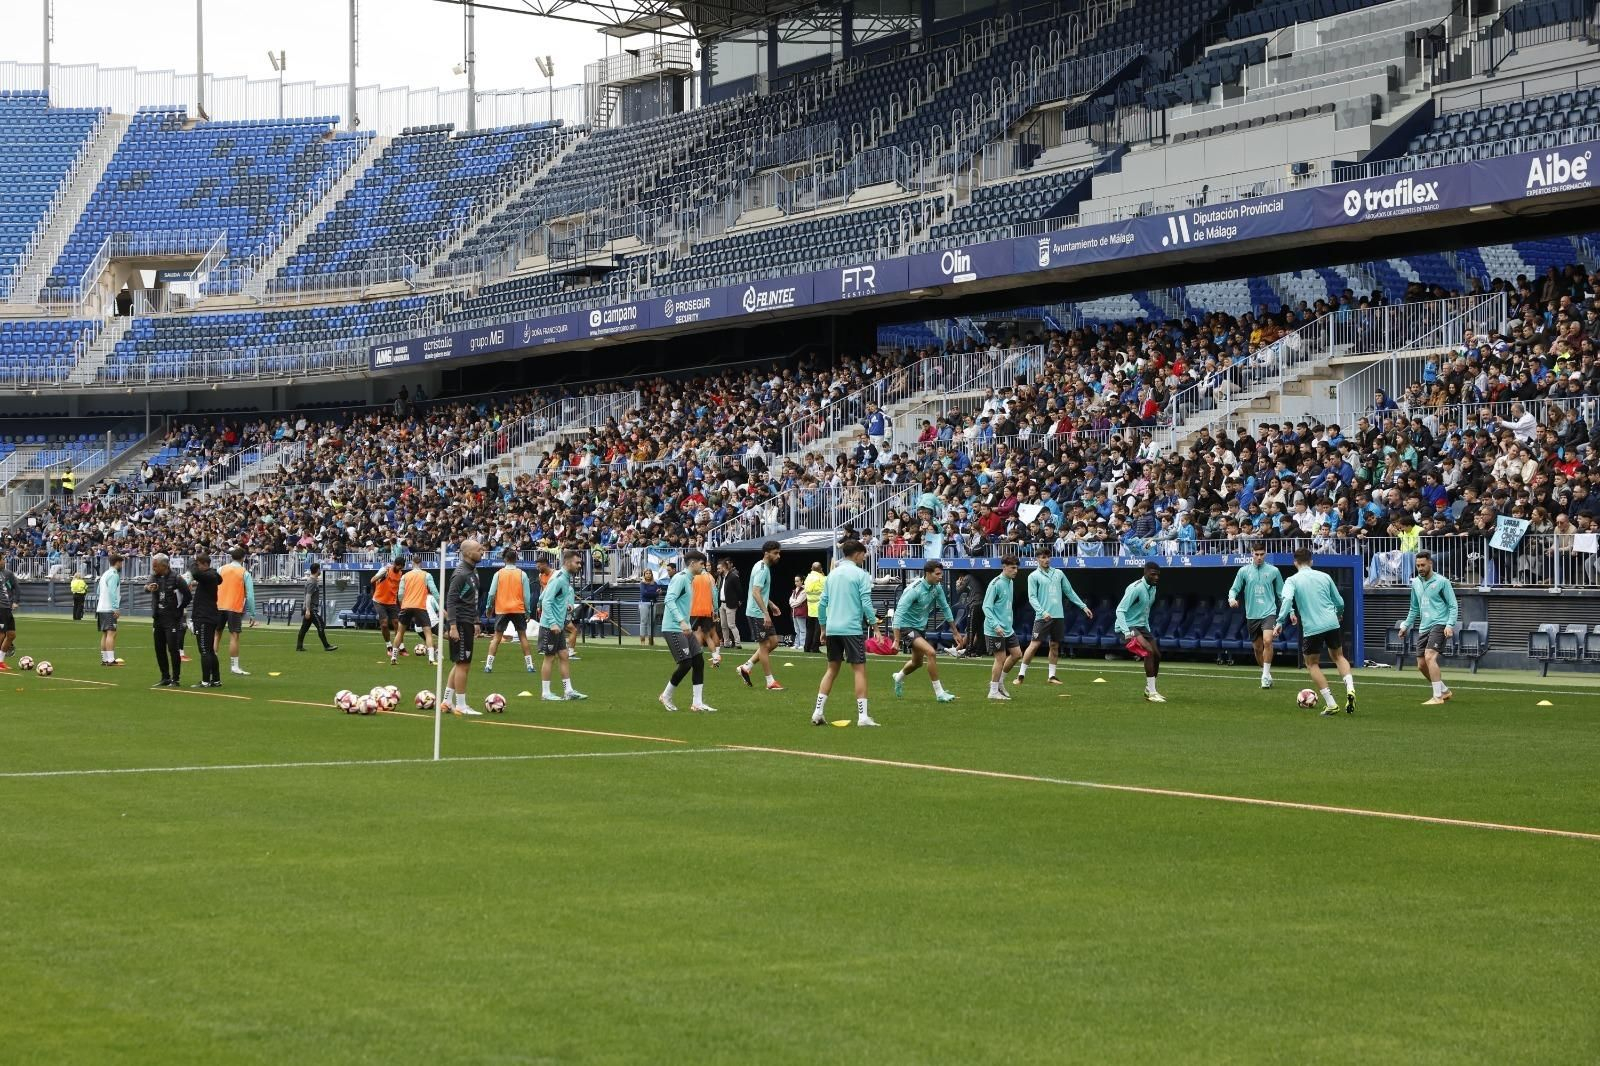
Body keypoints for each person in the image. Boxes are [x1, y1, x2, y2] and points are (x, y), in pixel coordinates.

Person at [1277, 548, 1356, 716]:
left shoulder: (1292, 580)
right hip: (1332, 623)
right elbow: (1339, 601)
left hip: (1312, 628)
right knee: (1339, 657)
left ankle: (1331, 703)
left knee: (1312, 664)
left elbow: (1287, 601)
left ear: (1295, 563)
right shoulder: (1325, 576)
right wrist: (1339, 614)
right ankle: (1350, 687)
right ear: (1311, 562)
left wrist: (1279, 621)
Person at [812, 539, 878, 727]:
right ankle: (863, 716)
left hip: (833, 628)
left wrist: (823, 628)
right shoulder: (861, 574)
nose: (865, 557)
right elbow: (866, 602)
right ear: (857, 553)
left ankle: (818, 712)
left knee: (831, 669)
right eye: (864, 554)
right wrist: (875, 626)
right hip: (851, 629)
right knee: (859, 670)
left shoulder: (832, 574)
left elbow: (823, 603)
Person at [1015, 548, 1092, 687]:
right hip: (1042, 617)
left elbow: (1069, 591)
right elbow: (1032, 597)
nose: (1046, 560)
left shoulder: (1059, 573)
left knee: (1055, 645)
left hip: (1058, 616)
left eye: (1048, 557)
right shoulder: (1033, 576)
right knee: (1034, 645)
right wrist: (1042, 612)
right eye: (1043, 557)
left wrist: (1083, 606)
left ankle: (1051, 676)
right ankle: (1020, 675)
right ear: (1037, 559)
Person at [890, 560, 962, 703]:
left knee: (917, 663)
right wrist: (897, 640)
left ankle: (898, 677)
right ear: (928, 574)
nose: (940, 577)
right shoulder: (913, 590)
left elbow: (945, 608)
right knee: (931, 652)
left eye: (941, 574)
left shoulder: (937, 587)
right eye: (937, 574)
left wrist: (955, 632)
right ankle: (939, 693)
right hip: (906, 627)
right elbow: (898, 614)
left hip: (920, 628)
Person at [658, 550, 717, 713]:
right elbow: (669, 599)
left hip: (685, 628)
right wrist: (682, 622)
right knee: (685, 663)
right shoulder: (680, 578)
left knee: (698, 661)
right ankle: (666, 695)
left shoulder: (689, 579)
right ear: (692, 563)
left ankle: (697, 703)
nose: (703, 567)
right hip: (674, 628)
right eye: (701, 564)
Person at [1397, 550, 1458, 706]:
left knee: (1430, 656)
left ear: (1430, 563)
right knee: (1421, 665)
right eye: (1418, 565)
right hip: (1423, 627)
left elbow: (1453, 605)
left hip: (1440, 623)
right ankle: (1444, 691)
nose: (1420, 568)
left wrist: (1449, 625)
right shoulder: (1416, 583)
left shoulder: (1442, 581)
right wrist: (1405, 625)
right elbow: (1414, 608)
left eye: (1423, 565)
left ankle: (1437, 697)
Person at [1228, 546, 1285, 689]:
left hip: (1269, 612)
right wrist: (1231, 598)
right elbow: (1234, 589)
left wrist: (1289, 612)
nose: (1259, 557)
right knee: (1258, 648)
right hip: (1252, 615)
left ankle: (1265, 677)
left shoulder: (1274, 571)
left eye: (1262, 554)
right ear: (1252, 554)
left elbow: (1281, 594)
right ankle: (1266, 673)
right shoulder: (1244, 571)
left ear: (1265, 554)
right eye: (1256, 554)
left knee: (1267, 641)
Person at [442, 539, 486, 716]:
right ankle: (461, 705)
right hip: (459, 622)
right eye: (478, 549)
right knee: (463, 664)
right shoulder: (460, 574)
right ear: (467, 553)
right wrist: (452, 626)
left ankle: (447, 700)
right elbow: (451, 600)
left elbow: (471, 598)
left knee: (460, 662)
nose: (482, 551)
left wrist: (476, 621)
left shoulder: (473, 571)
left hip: (467, 621)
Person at [537, 550, 588, 702]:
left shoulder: (563, 578)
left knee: (564, 656)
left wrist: (566, 606)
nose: (579, 565)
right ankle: (546, 693)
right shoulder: (559, 578)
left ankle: (569, 691)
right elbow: (545, 601)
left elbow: (543, 597)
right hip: (550, 626)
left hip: (558, 625)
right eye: (577, 562)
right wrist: (552, 622)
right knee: (549, 658)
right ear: (567, 563)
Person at [1114, 561, 1166, 703]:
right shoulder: (1135, 588)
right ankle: (1152, 693)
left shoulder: (1153, 588)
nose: (1156, 578)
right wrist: (1126, 631)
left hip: (1142, 627)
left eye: (1158, 575)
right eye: (1153, 574)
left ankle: (1149, 689)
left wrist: (1147, 631)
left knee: (1157, 654)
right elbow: (1120, 610)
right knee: (1148, 651)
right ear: (1145, 573)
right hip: (1127, 626)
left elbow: (1145, 611)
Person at [737, 541, 785, 691]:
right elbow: (755, 592)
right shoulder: (762, 569)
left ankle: (746, 666)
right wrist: (766, 613)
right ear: (767, 553)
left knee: (774, 642)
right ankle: (770, 682)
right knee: (764, 646)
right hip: (756, 613)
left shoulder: (760, 566)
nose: (778, 556)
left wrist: (771, 605)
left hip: (760, 611)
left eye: (779, 552)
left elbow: (758, 591)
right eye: (776, 553)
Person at [145, 553, 191, 689]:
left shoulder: (177, 578)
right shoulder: (154, 577)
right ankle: (165, 677)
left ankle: (175, 679)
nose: (153, 568)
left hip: (171, 618)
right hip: (158, 617)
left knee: (173, 648)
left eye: (155, 566)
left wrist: (179, 609)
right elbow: (146, 587)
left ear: (164, 565)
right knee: (159, 648)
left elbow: (188, 596)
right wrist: (148, 588)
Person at [484, 548, 533, 673]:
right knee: (523, 637)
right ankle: (530, 665)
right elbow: (527, 596)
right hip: (518, 608)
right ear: (516, 559)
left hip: (502, 609)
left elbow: (491, 594)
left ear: (505, 559)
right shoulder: (522, 574)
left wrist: (488, 608)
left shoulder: (498, 574)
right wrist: (528, 611)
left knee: (497, 638)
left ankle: (488, 666)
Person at [982, 557, 1023, 701]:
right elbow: (986, 607)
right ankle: (993, 691)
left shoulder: (1010, 582)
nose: (1015, 571)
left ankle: (999, 683)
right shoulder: (996, 584)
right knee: (1000, 658)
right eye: (1012, 568)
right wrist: (995, 625)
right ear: (1004, 567)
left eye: (1016, 568)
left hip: (1007, 628)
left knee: (1017, 654)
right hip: (995, 628)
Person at [216, 547, 256, 676]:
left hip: (219, 605)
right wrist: (252, 613)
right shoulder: (244, 572)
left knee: (217, 634)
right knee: (234, 636)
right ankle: (234, 666)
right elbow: (250, 595)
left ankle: (212, 662)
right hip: (234, 607)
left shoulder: (221, 569)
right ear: (243, 558)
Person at [188, 553, 224, 687]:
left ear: (203, 564)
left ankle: (205, 681)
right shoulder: (212, 575)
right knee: (209, 650)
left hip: (204, 617)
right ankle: (215, 679)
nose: (196, 567)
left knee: (204, 650)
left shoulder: (208, 576)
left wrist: (191, 561)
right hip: (209, 616)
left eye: (198, 565)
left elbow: (196, 574)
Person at [396, 556, 439, 665]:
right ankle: (431, 659)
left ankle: (393, 657)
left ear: (412, 563)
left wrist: (402, 604)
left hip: (406, 606)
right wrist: (439, 602)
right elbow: (434, 590)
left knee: (400, 632)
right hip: (420, 606)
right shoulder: (426, 575)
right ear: (422, 563)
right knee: (428, 633)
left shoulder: (405, 576)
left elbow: (400, 594)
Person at [296, 561, 338, 652]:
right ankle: (326, 646)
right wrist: (308, 610)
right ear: (317, 570)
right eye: (319, 569)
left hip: (309, 608)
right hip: (311, 609)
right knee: (321, 624)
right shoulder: (312, 582)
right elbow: (308, 596)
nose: (320, 571)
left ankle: (299, 646)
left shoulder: (312, 580)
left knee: (304, 628)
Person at [94, 554, 125, 668]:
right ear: (117, 562)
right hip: (109, 608)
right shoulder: (113, 575)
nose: (122, 565)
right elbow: (112, 592)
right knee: (112, 633)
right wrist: (115, 607)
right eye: (121, 563)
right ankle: (111, 659)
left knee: (105, 634)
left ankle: (105, 659)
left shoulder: (105, 574)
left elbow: (98, 591)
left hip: (101, 607)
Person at [370, 558, 404, 664]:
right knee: (384, 624)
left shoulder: (400, 574)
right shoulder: (385, 570)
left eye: (401, 567)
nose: (399, 568)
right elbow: (372, 580)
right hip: (379, 600)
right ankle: (389, 645)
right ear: (395, 564)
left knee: (396, 623)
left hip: (392, 601)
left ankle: (400, 646)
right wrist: (382, 574)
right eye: (398, 566)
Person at [690, 559, 722, 667]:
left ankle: (697, 658)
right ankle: (716, 656)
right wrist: (716, 609)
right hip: (708, 608)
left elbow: (689, 594)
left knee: (697, 633)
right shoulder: (709, 577)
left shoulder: (692, 577)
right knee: (709, 634)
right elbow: (714, 593)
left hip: (695, 609)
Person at [717, 558, 743, 650]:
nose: (718, 570)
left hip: (730, 604)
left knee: (731, 625)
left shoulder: (733, 577)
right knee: (723, 625)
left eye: (719, 568)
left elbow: (739, 590)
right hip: (722, 604)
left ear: (724, 568)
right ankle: (726, 643)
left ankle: (737, 643)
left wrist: (739, 601)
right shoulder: (723, 578)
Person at [802, 561, 825, 653]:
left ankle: (807, 647)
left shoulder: (808, 578)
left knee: (809, 628)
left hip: (810, 607)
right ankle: (815, 647)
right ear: (820, 569)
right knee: (818, 629)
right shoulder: (822, 578)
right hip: (820, 607)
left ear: (811, 568)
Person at [0, 557, 18, 671]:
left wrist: (14, 601)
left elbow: (12, 587)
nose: (4, 562)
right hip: (0, 607)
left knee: (11, 635)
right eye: (1, 560)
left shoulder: (4, 574)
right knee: (1, 634)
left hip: (7, 607)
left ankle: (0, 662)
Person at [638, 568, 660, 646]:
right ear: (644, 575)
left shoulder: (655, 583)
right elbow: (644, 594)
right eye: (646, 573)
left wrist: (653, 593)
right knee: (643, 622)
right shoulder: (642, 584)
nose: (648, 575)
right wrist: (655, 593)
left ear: (652, 574)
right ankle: (642, 641)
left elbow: (658, 593)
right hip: (644, 603)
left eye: (649, 573)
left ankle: (651, 641)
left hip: (653, 604)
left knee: (651, 622)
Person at [789, 575, 809, 655]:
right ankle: (796, 644)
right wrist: (793, 603)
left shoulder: (804, 590)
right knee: (797, 630)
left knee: (802, 629)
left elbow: (799, 601)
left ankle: (803, 644)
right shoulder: (794, 590)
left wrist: (793, 603)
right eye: (795, 581)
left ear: (802, 581)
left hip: (801, 613)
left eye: (797, 581)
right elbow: (790, 600)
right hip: (794, 612)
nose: (796, 583)